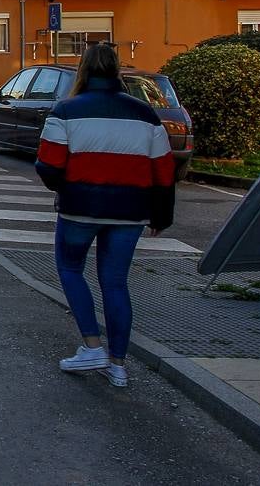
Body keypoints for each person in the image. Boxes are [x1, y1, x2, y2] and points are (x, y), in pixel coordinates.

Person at [34, 42, 176, 387]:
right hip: (130, 212)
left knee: (70, 269)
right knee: (115, 283)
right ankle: (118, 365)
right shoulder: (145, 114)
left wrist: (67, 188)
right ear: (117, 70)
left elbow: (48, 166)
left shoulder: (65, 111)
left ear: (83, 69)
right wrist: (161, 216)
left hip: (80, 209)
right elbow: (164, 172)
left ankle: (91, 345)